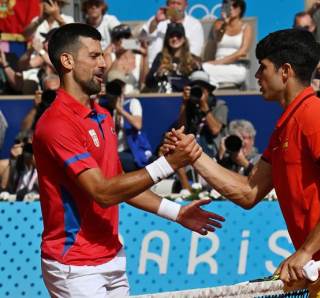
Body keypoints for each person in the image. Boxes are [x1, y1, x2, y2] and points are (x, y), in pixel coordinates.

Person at [164, 28, 320, 296]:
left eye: (263, 68)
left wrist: (304, 252)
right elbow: (248, 192)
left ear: (285, 71)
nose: (257, 76)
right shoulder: (284, 128)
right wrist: (194, 155)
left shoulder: (316, 114)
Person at [33, 23, 224, 297]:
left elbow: (119, 183)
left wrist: (177, 212)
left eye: (103, 55)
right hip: (74, 265)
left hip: (111, 255)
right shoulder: (56, 124)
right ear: (67, 61)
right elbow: (103, 192)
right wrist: (168, 164)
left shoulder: (103, 115)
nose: (104, 63)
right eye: (94, 56)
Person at [202, 0, 253, 89]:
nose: (231, 8)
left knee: (241, 74)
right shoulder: (218, 24)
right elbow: (217, 39)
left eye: (235, 5)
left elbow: (242, 51)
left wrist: (219, 62)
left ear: (240, 9)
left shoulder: (246, 27)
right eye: (228, 5)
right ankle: (214, 84)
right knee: (203, 68)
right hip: (216, 67)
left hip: (235, 66)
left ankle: (213, 83)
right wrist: (224, 23)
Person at [177, 70, 228, 159]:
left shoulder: (220, 105)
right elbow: (182, 129)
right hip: (191, 152)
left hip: (214, 152)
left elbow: (215, 130)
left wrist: (204, 105)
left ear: (208, 91)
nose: (199, 92)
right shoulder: (188, 106)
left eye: (202, 89)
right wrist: (184, 103)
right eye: (195, 88)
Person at [141, 0, 204, 67]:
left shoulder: (194, 25)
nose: (175, 7)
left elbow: (194, 54)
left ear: (186, 6)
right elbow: (141, 40)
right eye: (172, 3)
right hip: (152, 66)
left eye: (179, 4)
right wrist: (156, 22)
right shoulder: (156, 19)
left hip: (181, 68)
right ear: (167, 4)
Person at [144, 22, 202, 92]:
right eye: (171, 36)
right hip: (166, 98)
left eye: (178, 35)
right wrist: (157, 74)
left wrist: (197, 69)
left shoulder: (192, 59)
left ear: (184, 39)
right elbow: (148, 82)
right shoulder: (160, 57)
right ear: (167, 39)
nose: (175, 38)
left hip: (186, 98)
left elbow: (202, 83)